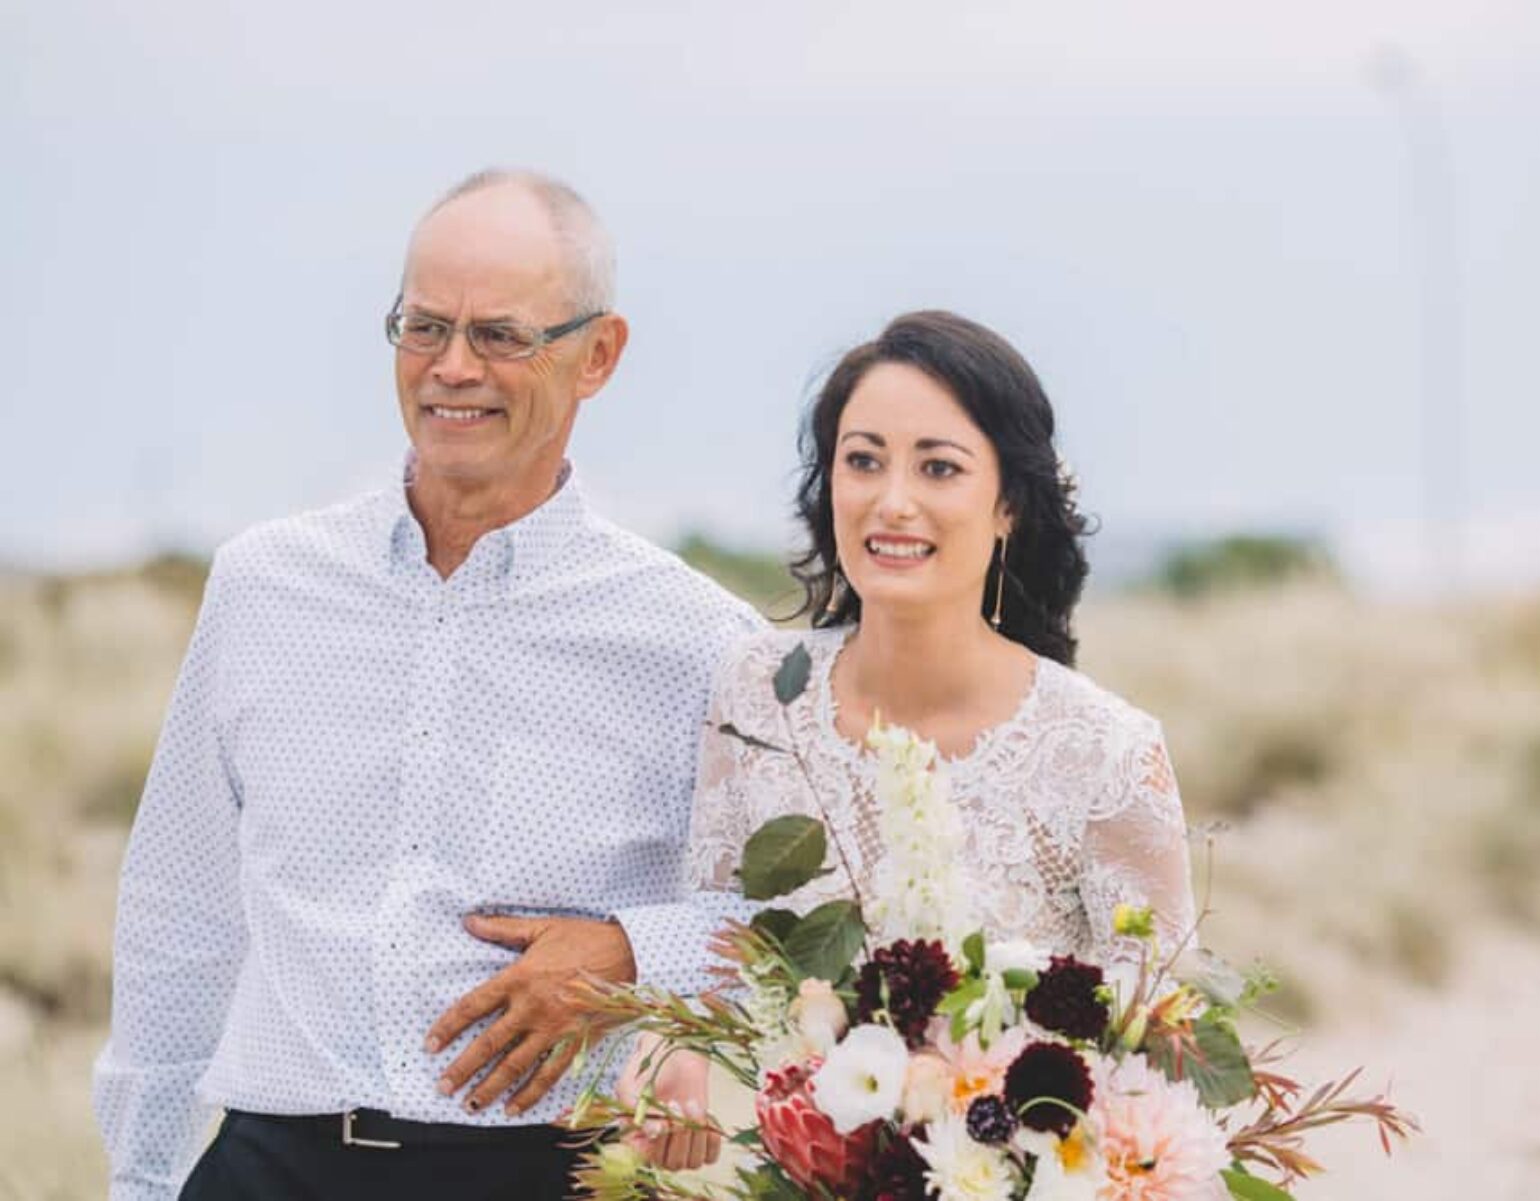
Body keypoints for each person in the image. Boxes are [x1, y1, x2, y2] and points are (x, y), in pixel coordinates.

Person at [92, 169, 757, 1200]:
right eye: (423, 326)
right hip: (267, 1162)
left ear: (599, 355)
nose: (452, 369)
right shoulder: (264, 585)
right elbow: (182, 906)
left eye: (500, 335)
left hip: (550, 1173)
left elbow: (796, 915)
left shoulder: (701, 641)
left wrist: (635, 947)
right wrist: (141, 1176)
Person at [648, 309, 1199, 1124]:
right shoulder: (760, 692)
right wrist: (675, 1056)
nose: (892, 501)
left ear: (1009, 502)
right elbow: (714, 940)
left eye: (939, 468)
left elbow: (1164, 1064)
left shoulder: (1106, 753)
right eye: (863, 461)